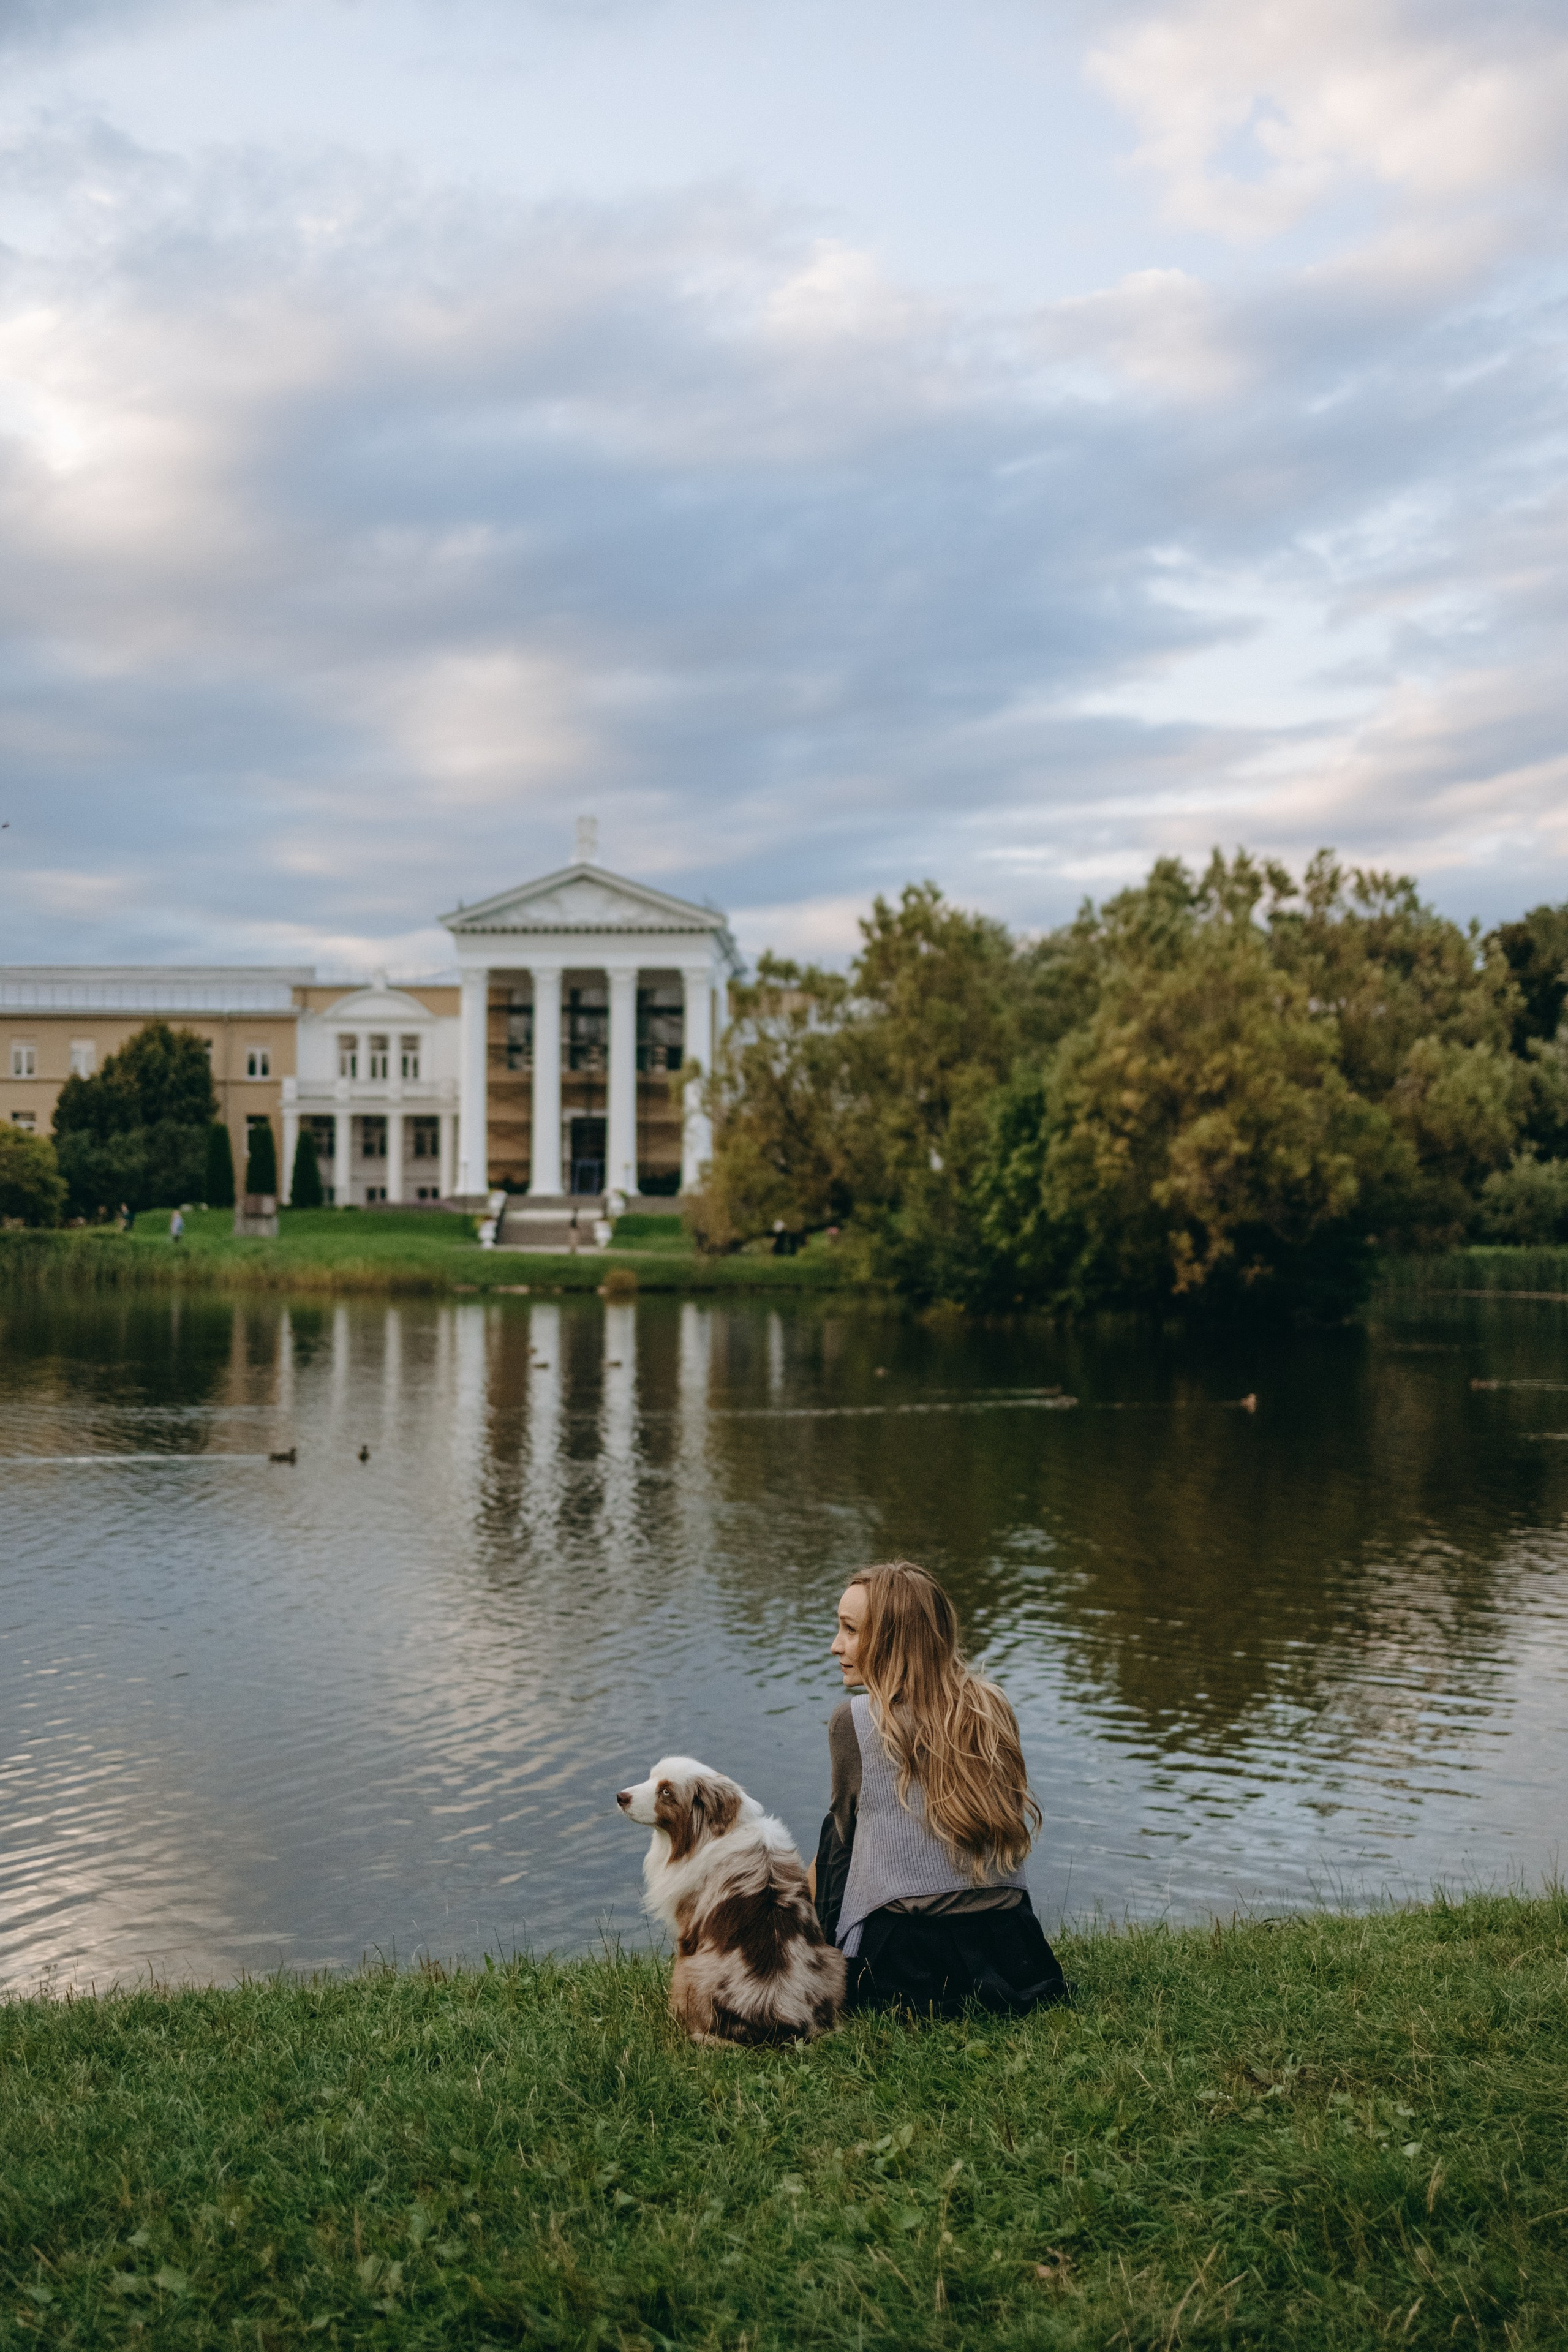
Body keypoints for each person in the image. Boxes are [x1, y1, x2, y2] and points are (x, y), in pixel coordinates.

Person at [811, 1560, 1068, 2016]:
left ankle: (808, 1959)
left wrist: (784, 1916)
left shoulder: (852, 1721)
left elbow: (840, 1846)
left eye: (850, 1631)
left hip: (906, 1964)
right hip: (1013, 1950)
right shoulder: (992, 1706)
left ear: (891, 1639)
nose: (836, 1646)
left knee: (836, 1831)